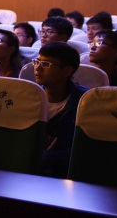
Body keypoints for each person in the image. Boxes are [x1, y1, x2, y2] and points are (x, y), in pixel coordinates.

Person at [34, 42, 87, 178]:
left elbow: (84, 149)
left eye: (46, 64)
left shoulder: (85, 101)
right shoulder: (28, 95)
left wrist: (49, 158)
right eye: (37, 62)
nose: (37, 68)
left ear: (66, 71)